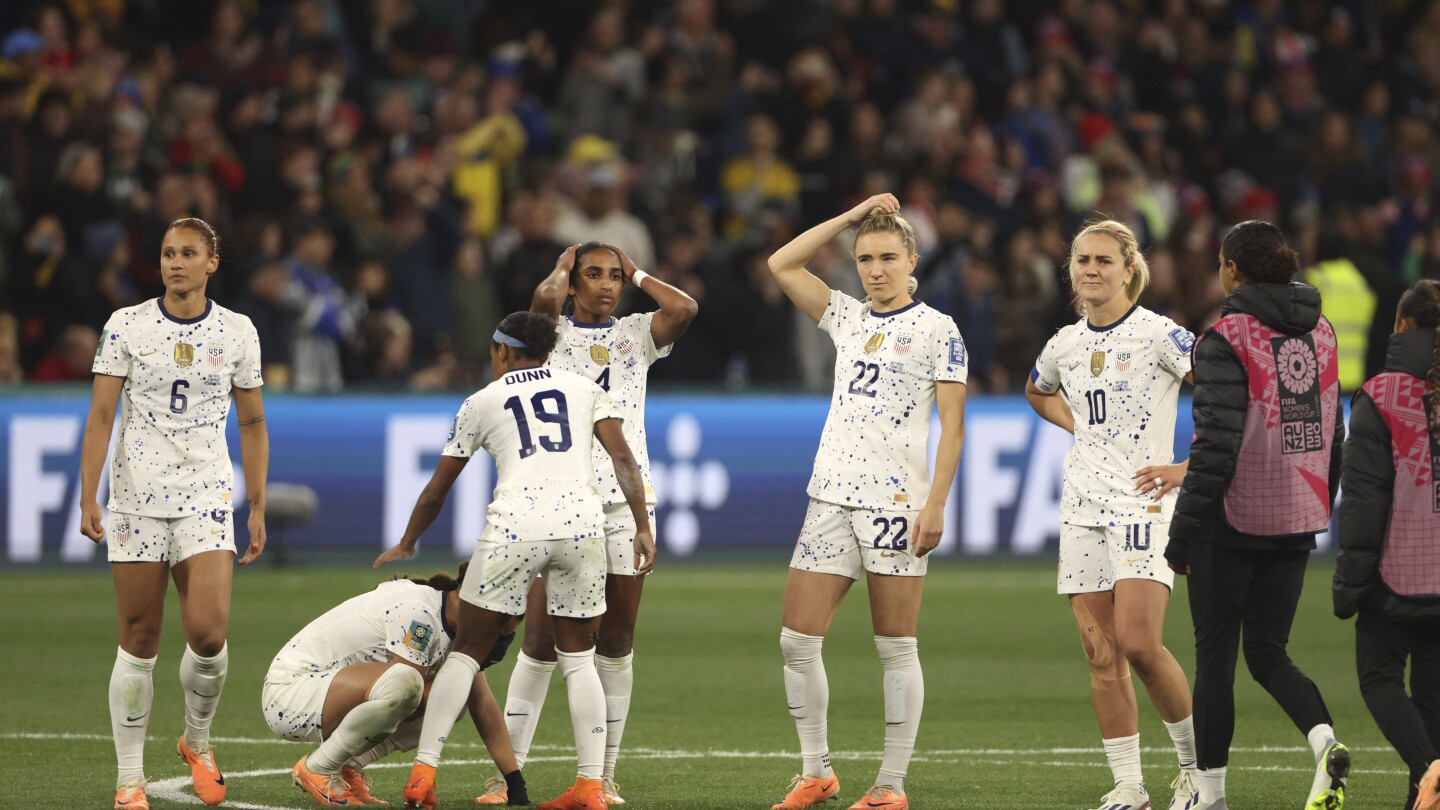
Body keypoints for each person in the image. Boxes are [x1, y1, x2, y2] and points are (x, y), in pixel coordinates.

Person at [375, 310, 655, 810]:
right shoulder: (584, 388)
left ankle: (423, 775)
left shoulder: (482, 400)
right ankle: (591, 786)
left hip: (516, 528)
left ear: (502, 350)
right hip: (583, 525)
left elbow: (437, 491)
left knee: (466, 652)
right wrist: (641, 525)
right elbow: (624, 461)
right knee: (578, 659)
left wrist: (408, 541)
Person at [764, 193, 967, 810]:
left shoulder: (938, 330)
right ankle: (816, 772)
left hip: (896, 504)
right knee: (796, 640)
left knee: (895, 646)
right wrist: (850, 216)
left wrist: (936, 504)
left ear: (912, 260)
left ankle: (890, 785)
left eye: (886, 257)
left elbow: (954, 427)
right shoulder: (847, 317)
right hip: (829, 495)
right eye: (863, 258)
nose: (874, 270)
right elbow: (782, 264)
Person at [78, 217, 269, 810]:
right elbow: (102, 417)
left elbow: (254, 421)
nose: (175, 263)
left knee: (209, 635)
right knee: (139, 638)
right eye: (167, 253)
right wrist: (90, 494)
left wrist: (257, 503)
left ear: (213, 262)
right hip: (136, 497)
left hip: (206, 496)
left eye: (188, 253)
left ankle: (198, 740)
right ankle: (130, 780)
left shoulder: (238, 332)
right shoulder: (125, 326)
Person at [495, 241, 695, 805]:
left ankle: (603, 775)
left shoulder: (636, 334)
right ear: (574, 281)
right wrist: (559, 266)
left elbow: (684, 310)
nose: (606, 285)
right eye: (594, 275)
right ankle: (506, 775)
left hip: (624, 506)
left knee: (617, 640)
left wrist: (639, 273)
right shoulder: (550, 337)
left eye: (613, 276)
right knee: (538, 641)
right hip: (560, 500)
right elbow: (540, 306)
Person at [1166, 220, 1349, 810]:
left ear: (1233, 271)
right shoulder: (1322, 331)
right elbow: (1332, 429)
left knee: (1214, 658)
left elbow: (1215, 443)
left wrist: (1183, 534)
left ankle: (1211, 797)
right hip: (1298, 513)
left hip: (1232, 520)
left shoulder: (1226, 337)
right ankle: (1325, 742)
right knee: (1269, 651)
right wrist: (1320, 497)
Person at [1025, 219, 1200, 810]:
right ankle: (1129, 785)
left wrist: (1185, 466)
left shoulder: (1162, 335)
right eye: (1082, 261)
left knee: (1140, 644)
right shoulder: (1065, 344)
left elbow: (1231, 391)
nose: (1091, 270)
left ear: (1130, 269)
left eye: (1104, 260)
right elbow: (1037, 389)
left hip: (1144, 504)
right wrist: (1078, 426)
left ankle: (1195, 773)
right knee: (1101, 654)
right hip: (1081, 507)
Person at [264, 563, 529, 807]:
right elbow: (409, 694)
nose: (497, 637)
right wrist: (425, 768)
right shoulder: (420, 613)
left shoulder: (459, 625)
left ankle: (348, 767)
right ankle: (319, 767)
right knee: (410, 685)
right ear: (477, 604)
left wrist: (514, 781)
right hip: (290, 694)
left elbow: (483, 705)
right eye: (498, 627)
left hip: (324, 692)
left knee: (452, 696)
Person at [1334, 279, 1440, 810]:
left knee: (1378, 678)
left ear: (1401, 325)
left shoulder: (1380, 396)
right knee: (1433, 699)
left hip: (1397, 572)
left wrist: (1351, 580)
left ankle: (1429, 774)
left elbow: (1364, 499)